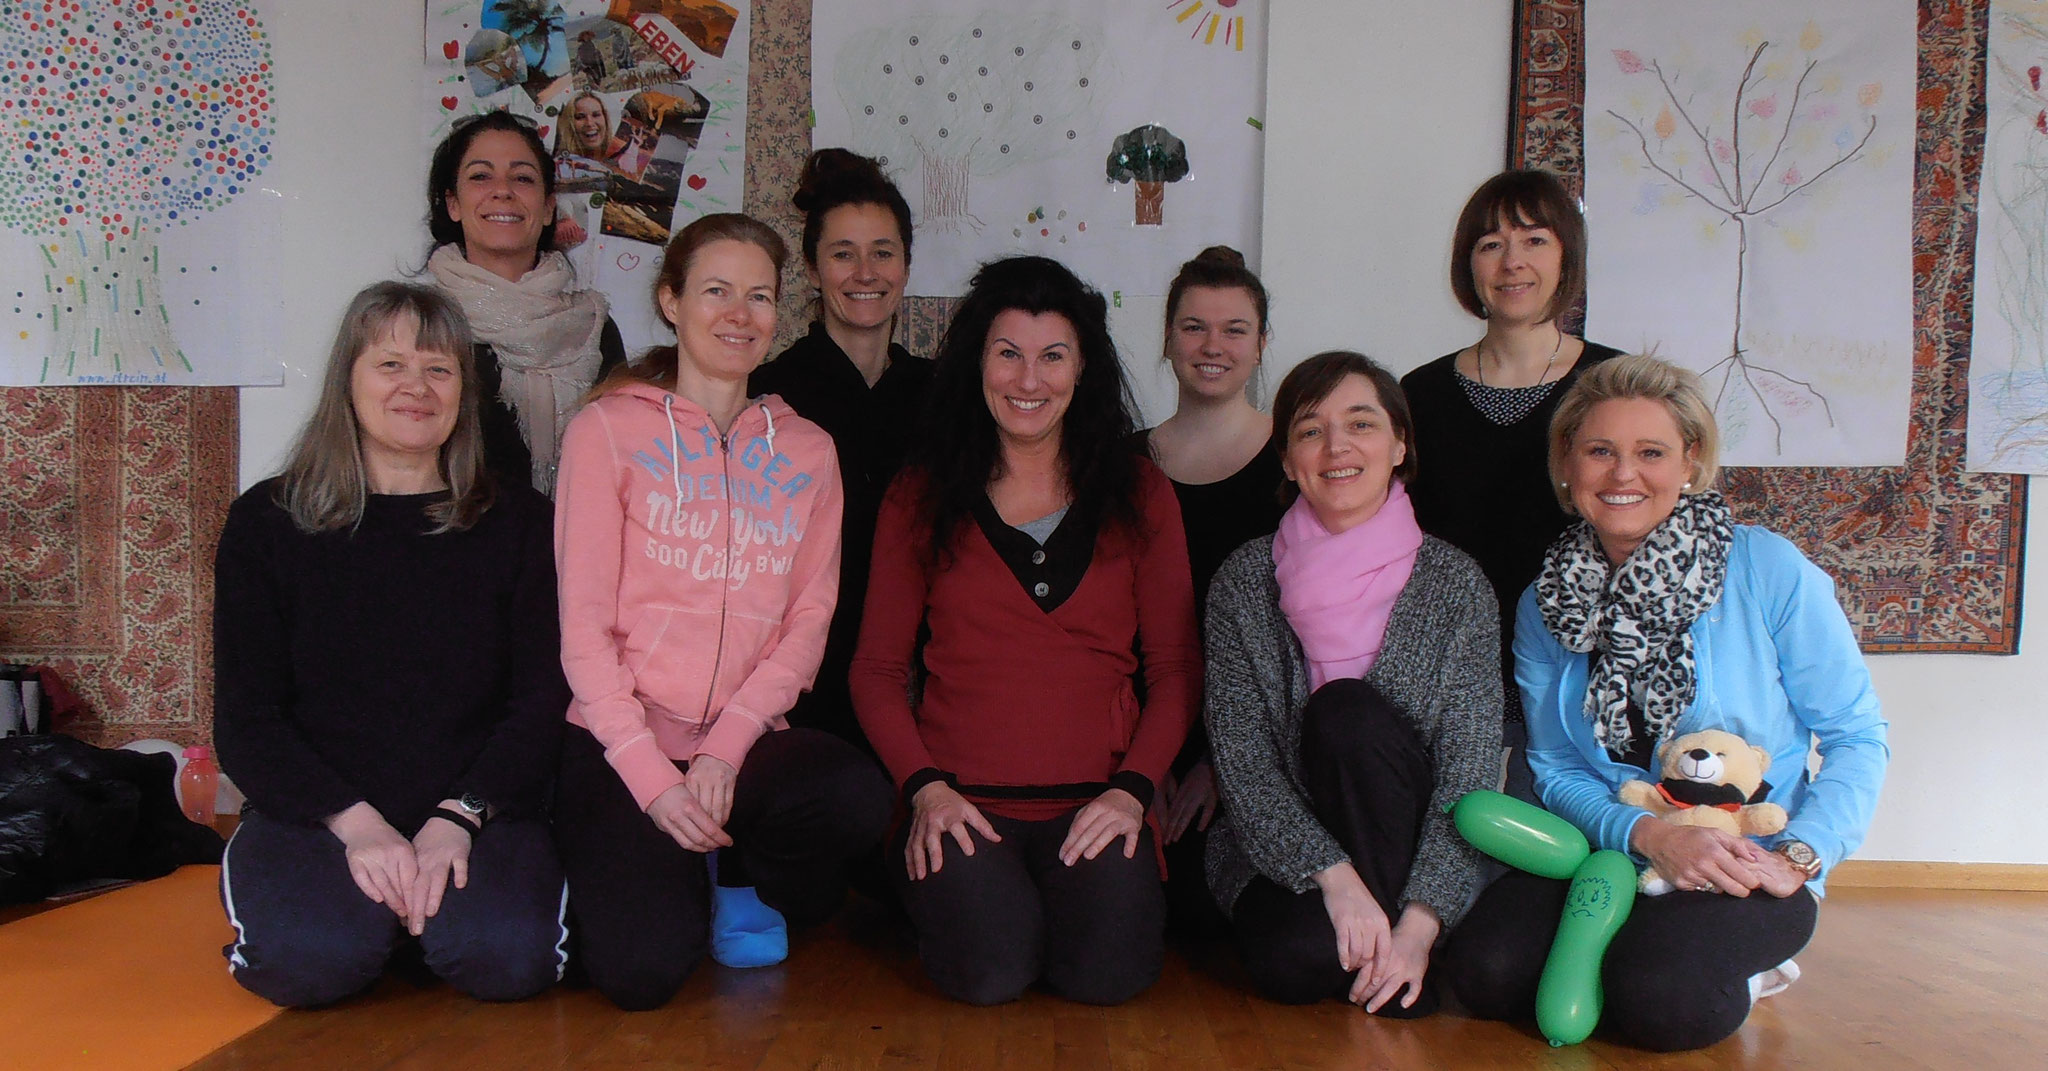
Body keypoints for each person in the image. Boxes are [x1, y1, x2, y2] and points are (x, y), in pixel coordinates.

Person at [1441, 354, 1889, 1052]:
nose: (1623, 474)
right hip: (1612, 846)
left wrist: (1803, 853)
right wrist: (1646, 834)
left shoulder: (1766, 569)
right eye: (1600, 451)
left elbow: (1857, 733)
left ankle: (1735, 964)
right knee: (1485, 976)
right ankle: (1635, 943)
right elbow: (1556, 766)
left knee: (1665, 1002)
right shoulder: (1543, 602)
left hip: (1746, 851)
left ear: (1691, 461)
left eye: (1650, 452)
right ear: (1567, 465)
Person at [550, 213, 893, 1011]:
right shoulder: (606, 432)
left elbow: (808, 624)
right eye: (716, 291)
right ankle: (685, 865)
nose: (740, 315)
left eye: (760, 296)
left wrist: (725, 752)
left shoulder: (808, 450)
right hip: (623, 743)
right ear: (671, 301)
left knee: (858, 798)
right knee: (640, 974)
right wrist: (653, 780)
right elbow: (583, 629)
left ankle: (734, 865)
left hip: (741, 746)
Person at [850, 255, 1198, 1006]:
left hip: (1100, 803)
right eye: (1008, 353)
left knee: (1108, 977)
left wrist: (1133, 792)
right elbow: (876, 671)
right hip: (960, 803)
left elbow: (1174, 669)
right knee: (991, 972)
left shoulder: (1141, 492)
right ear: (977, 363)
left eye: (1053, 356)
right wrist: (925, 790)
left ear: (1083, 368)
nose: (1028, 380)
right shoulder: (920, 494)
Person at [213, 282, 570, 1008]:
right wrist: (357, 825)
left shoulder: (522, 521)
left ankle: (418, 921)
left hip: (478, 812)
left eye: (439, 369)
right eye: (390, 365)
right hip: (322, 814)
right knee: (309, 965)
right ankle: (381, 921)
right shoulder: (267, 521)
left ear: (464, 391)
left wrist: (460, 816)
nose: (417, 387)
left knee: (507, 959)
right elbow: (248, 716)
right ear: (348, 378)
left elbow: (541, 701)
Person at [1203, 350, 1503, 1016]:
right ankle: (1384, 951)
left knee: (1345, 714)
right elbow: (1244, 764)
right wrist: (1337, 883)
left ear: (1400, 445)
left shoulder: (1456, 585)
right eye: (1311, 430)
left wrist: (1420, 922)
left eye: (1362, 423)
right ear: (1288, 460)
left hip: (1419, 854)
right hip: (1291, 851)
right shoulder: (1244, 582)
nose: (1336, 446)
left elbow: (1470, 773)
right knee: (1290, 959)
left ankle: (1404, 947)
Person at [1402, 170, 1622, 757]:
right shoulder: (1418, 394)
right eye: (1491, 244)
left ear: (1567, 256)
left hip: (1584, 674)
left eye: (1534, 240)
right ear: (1468, 264)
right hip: (1449, 674)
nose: (1512, 262)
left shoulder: (1613, 384)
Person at [748, 148, 929, 750]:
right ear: (811, 268)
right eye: (843, 254)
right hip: (801, 685)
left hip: (923, 680)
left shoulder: (943, 396)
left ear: (906, 265)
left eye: (883, 252)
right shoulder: (768, 396)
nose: (865, 273)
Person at [1135, 245, 1285, 929]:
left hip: (1256, 738)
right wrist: (1143, 758)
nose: (1212, 346)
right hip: (1136, 732)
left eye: (1234, 329)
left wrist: (1224, 766)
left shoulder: (1296, 465)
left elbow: (1300, 641)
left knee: (1204, 912)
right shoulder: (1123, 462)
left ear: (1261, 344)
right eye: (1194, 327)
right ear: (1168, 338)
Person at [424, 110, 627, 495]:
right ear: (453, 204)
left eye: (522, 178)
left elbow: (621, 464)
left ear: (549, 207)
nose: (502, 191)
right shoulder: (421, 326)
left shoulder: (592, 329)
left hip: (575, 531)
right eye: (480, 176)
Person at [554, 91, 626, 164]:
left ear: (606, 119)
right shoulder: (560, 164)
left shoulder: (625, 152)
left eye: (596, 115)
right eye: (580, 117)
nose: (589, 123)